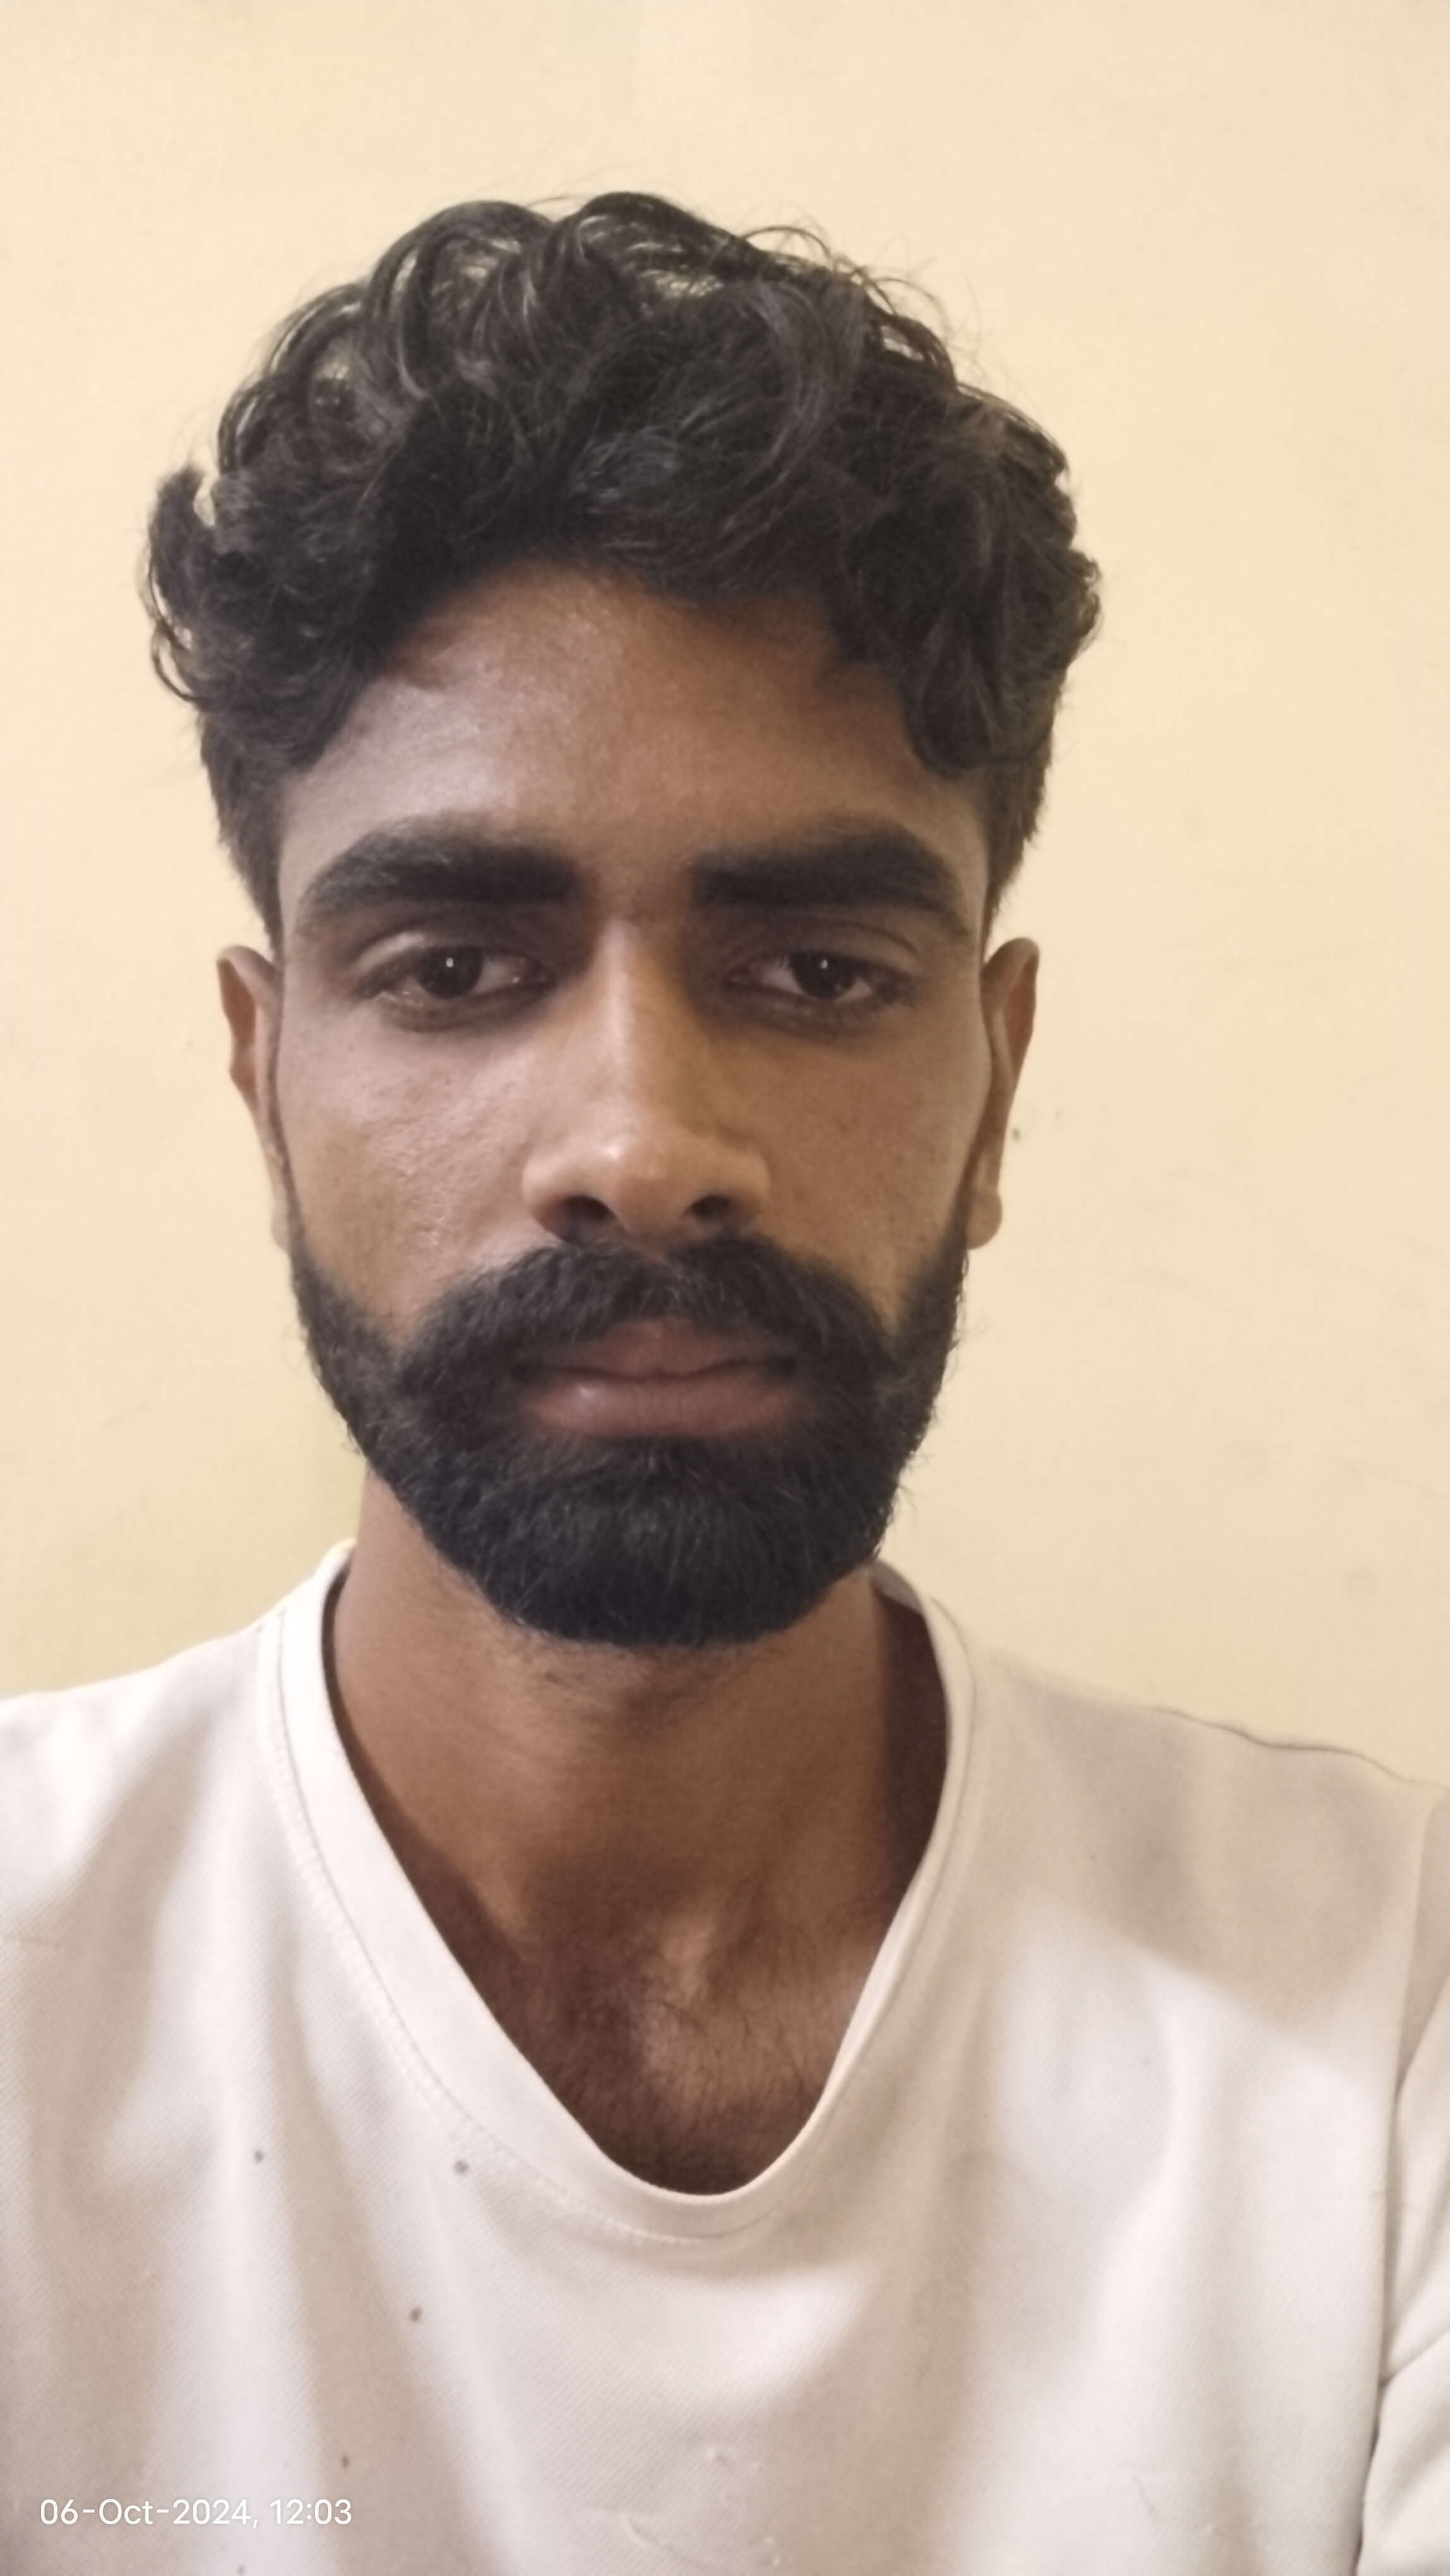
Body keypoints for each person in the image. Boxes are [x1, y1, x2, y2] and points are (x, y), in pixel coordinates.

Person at [1, 195, 1444, 2576]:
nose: (644, 1142)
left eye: (817, 972)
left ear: (996, 1086)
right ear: (265, 1088)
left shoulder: (1387, 2021)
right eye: (455, 965)